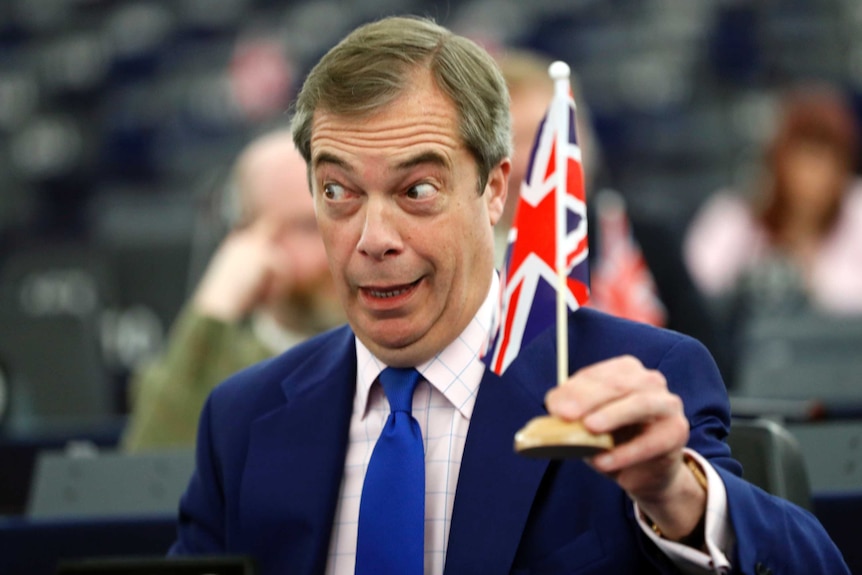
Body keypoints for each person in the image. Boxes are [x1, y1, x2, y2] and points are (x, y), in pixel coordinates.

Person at [170, 16, 849, 574]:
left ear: (495, 190)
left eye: (417, 190)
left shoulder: (634, 378)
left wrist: (679, 495)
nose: (372, 238)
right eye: (338, 192)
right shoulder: (244, 418)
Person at [497, 48, 731, 378]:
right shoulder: (471, 264)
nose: (526, 162)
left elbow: (713, 372)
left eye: (540, 137)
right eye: (509, 142)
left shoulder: (646, 241)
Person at [121, 129, 343, 451]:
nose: (340, 250)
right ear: (246, 238)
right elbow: (146, 477)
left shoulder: (408, 352)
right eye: (309, 227)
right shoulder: (215, 370)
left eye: (346, 216)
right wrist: (214, 308)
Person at [685, 84, 862, 316]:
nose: (814, 176)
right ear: (779, 161)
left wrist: (811, 280)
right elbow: (697, 291)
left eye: (826, 161)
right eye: (804, 159)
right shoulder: (734, 213)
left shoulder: (857, 208)